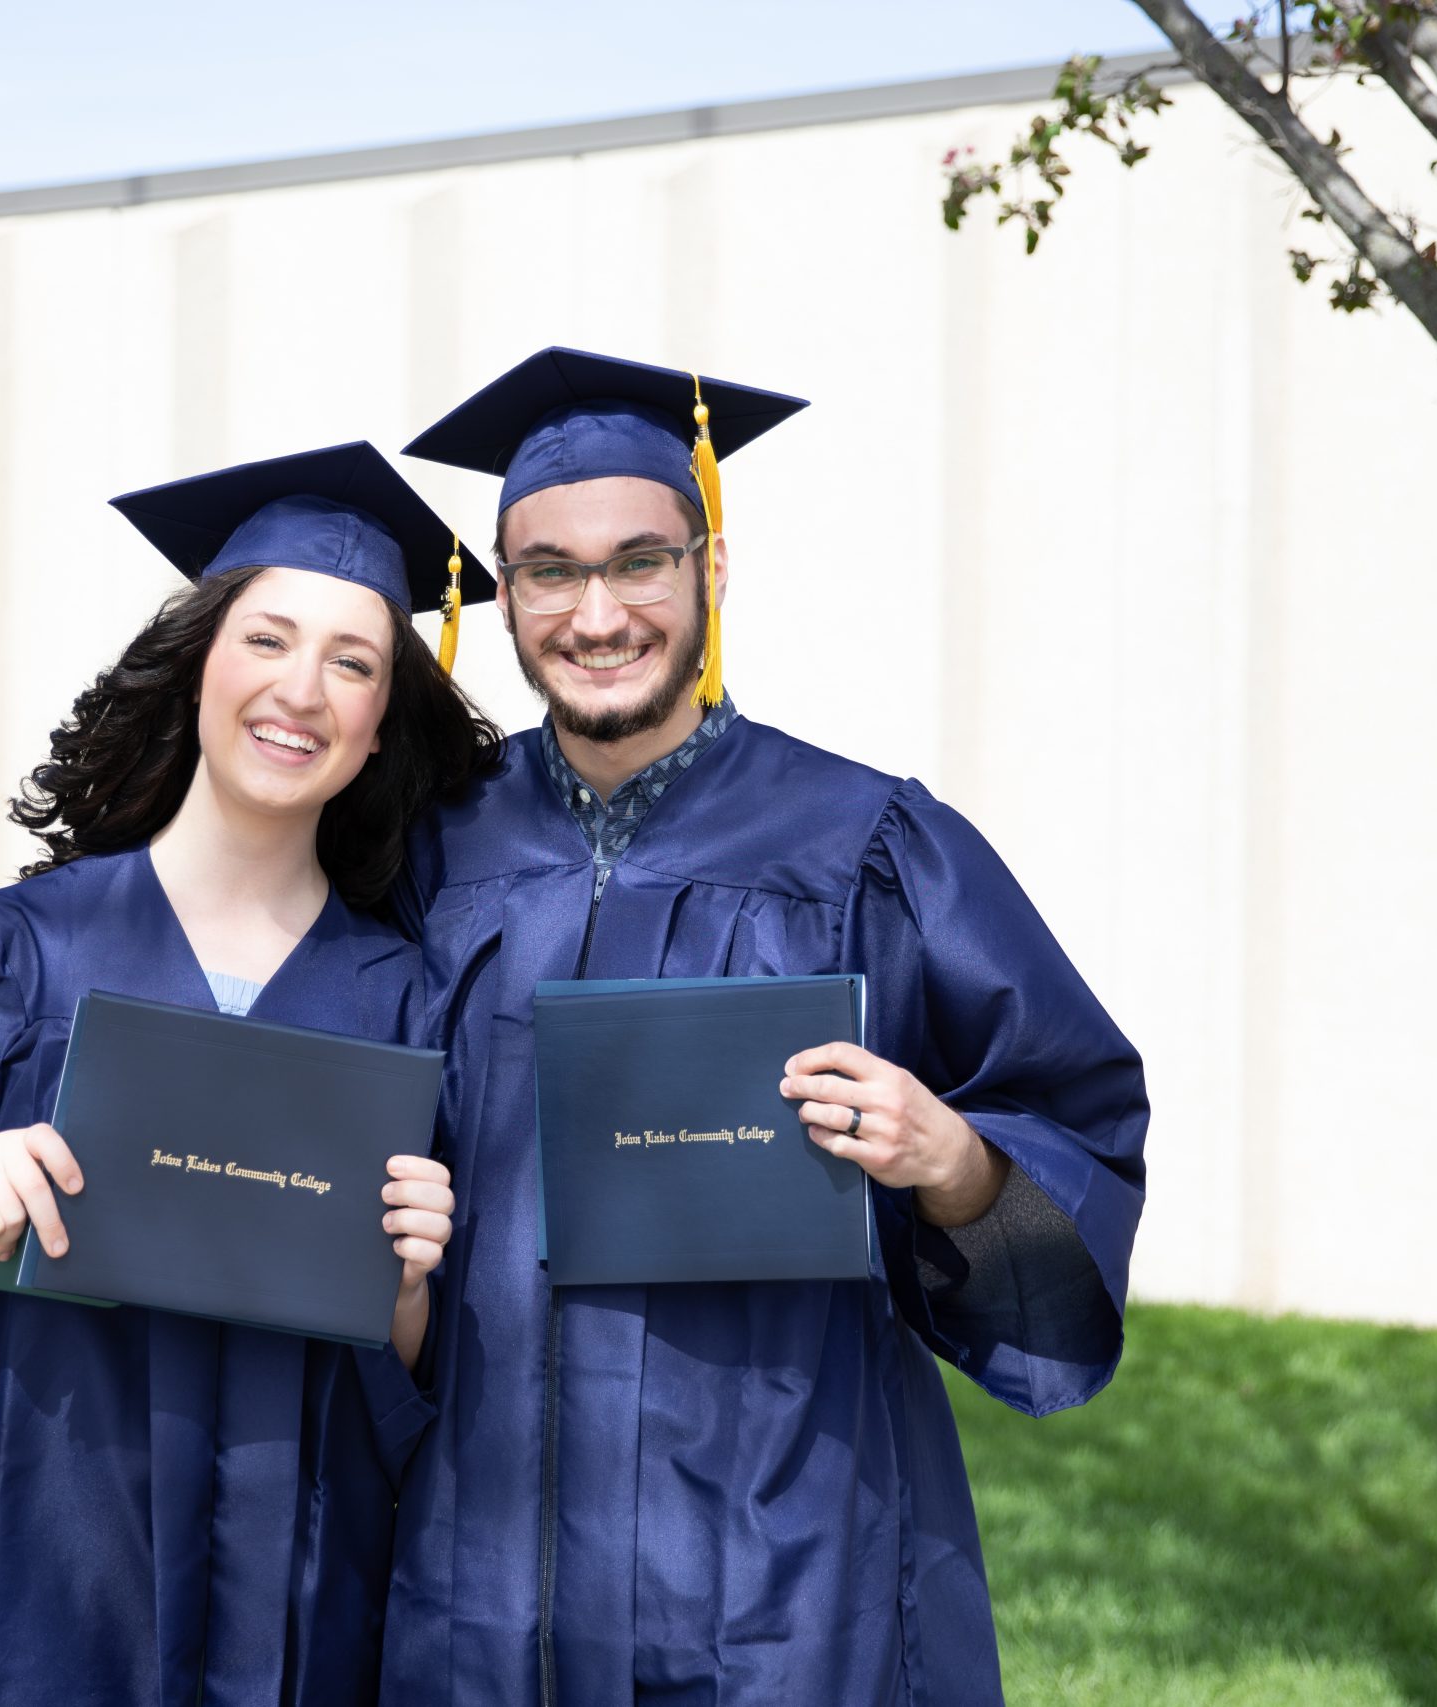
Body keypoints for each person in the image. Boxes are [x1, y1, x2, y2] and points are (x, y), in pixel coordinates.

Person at [381, 349, 1150, 1705]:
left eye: (640, 560)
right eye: (548, 569)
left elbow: (1071, 1111)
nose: (597, 609)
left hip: (780, 1546)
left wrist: (954, 1158)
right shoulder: (426, 850)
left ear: (711, 570)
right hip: (477, 1553)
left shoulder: (865, 840)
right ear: (504, 595)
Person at [0, 442, 501, 1707]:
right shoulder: (3, 955)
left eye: (352, 662)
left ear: (379, 730)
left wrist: (412, 1291)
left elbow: (437, 1369)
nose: (301, 689)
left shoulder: (413, 1001)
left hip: (302, 1600)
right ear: (201, 665)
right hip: (29, 1565)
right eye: (267, 639)